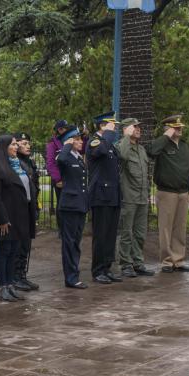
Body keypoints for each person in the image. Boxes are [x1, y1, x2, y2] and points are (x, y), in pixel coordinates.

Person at [147, 114, 189, 273]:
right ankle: (167, 261)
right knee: (166, 229)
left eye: (180, 126)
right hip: (167, 192)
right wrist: (165, 136)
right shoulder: (162, 145)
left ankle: (178, 260)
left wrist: (188, 188)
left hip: (183, 192)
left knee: (180, 229)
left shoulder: (184, 146)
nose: (180, 129)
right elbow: (151, 151)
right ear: (168, 129)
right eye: (176, 127)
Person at [0, 134, 37, 301]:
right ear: (4, 147)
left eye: (16, 145)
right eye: (13, 145)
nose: (16, 147)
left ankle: (10, 284)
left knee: (14, 251)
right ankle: (1, 286)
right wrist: (2, 219)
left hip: (21, 215)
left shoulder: (18, 165)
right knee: (3, 251)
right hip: (6, 216)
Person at [87, 112, 123, 283]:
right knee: (101, 235)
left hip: (112, 194)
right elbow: (99, 151)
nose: (114, 128)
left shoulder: (109, 144)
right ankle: (97, 270)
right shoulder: (95, 142)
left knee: (110, 234)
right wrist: (107, 134)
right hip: (101, 196)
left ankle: (107, 267)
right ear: (103, 126)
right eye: (111, 125)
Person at [116, 118, 154, 277]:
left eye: (139, 127)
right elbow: (122, 157)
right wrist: (126, 136)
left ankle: (138, 262)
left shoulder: (141, 149)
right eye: (135, 127)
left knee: (140, 233)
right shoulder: (121, 146)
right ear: (126, 129)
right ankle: (126, 264)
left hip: (142, 197)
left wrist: (147, 195)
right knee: (126, 232)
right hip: (128, 197)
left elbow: (145, 175)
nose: (138, 129)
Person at [55, 126, 90, 289]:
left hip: (79, 205)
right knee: (69, 242)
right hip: (69, 206)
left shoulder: (77, 158)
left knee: (76, 241)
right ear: (69, 141)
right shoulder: (65, 156)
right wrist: (67, 144)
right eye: (77, 139)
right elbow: (60, 160)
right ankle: (70, 277)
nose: (81, 142)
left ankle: (74, 274)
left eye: (80, 139)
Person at [14, 132, 41, 291]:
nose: (28, 146)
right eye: (23, 143)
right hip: (20, 209)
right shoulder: (15, 162)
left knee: (26, 245)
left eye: (28, 143)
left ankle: (22, 275)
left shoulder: (29, 162)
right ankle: (16, 276)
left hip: (30, 207)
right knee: (18, 245)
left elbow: (35, 187)